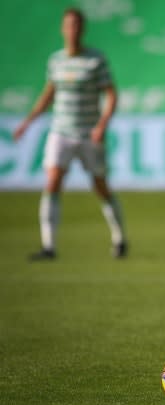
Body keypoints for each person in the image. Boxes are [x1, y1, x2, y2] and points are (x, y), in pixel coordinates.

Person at [13, 8, 127, 260]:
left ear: (82, 29)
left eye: (76, 25)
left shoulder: (95, 59)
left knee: (100, 185)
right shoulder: (56, 60)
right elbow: (48, 94)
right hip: (61, 131)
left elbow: (111, 94)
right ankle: (49, 246)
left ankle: (119, 239)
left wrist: (102, 125)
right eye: (68, 25)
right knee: (52, 181)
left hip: (89, 133)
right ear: (63, 29)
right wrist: (27, 123)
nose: (72, 29)